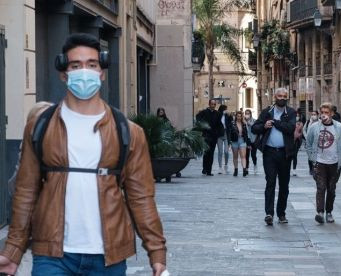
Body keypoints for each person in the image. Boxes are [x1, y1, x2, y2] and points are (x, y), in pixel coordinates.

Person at [0, 33, 167, 276]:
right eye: (75, 66)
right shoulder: (41, 126)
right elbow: (26, 191)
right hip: (52, 255)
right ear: (63, 74)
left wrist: (156, 251)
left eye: (92, 64)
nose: (84, 71)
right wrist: (13, 250)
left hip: (108, 257)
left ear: (102, 72)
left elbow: (141, 197)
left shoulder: (128, 132)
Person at [252, 88, 297, 226]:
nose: (282, 98)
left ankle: (281, 213)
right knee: (270, 182)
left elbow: (290, 128)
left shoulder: (290, 112)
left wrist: (275, 123)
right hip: (269, 153)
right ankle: (269, 213)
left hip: (285, 154)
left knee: (284, 185)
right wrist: (264, 125)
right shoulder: (267, 112)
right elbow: (255, 127)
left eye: (285, 96)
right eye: (280, 96)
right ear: (275, 97)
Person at [306, 103, 341, 224]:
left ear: (332, 114)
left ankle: (329, 211)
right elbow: (308, 144)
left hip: (335, 163)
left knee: (331, 188)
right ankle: (320, 212)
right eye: (322, 113)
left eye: (327, 113)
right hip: (319, 162)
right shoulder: (314, 127)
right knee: (321, 187)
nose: (324, 115)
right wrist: (312, 158)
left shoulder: (339, 128)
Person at [196, 99, 222, 176]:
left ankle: (209, 170)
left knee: (211, 153)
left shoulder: (217, 113)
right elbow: (197, 118)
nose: (213, 106)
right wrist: (203, 126)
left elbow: (219, 124)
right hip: (206, 135)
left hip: (214, 136)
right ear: (209, 104)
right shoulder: (204, 112)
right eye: (212, 104)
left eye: (214, 104)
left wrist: (218, 133)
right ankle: (204, 168)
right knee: (206, 152)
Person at [228, 111, 251, 177]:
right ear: (236, 116)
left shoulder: (244, 124)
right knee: (235, 157)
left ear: (242, 117)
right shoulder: (232, 124)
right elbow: (229, 133)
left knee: (243, 156)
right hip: (234, 141)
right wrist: (229, 142)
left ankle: (244, 170)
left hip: (242, 141)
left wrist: (248, 143)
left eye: (240, 116)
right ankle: (236, 170)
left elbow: (246, 134)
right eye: (238, 116)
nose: (239, 117)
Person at [303, 110, 319, 175]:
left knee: (317, 155)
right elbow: (304, 130)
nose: (313, 116)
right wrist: (306, 137)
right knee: (310, 155)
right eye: (312, 114)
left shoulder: (320, 122)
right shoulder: (308, 122)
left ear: (317, 115)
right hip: (309, 142)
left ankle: (317, 168)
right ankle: (311, 169)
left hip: (317, 141)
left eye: (314, 114)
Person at [217, 104, 232, 174]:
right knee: (220, 152)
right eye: (225, 109)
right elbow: (216, 121)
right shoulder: (218, 114)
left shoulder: (227, 115)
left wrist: (230, 115)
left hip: (226, 134)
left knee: (226, 151)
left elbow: (231, 122)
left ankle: (226, 165)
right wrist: (221, 113)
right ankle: (220, 167)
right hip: (219, 135)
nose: (226, 110)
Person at [244, 109, 258, 174]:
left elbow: (254, 127)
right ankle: (246, 168)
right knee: (246, 155)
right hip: (247, 140)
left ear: (250, 114)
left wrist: (248, 122)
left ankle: (255, 165)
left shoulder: (254, 121)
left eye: (248, 113)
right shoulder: (243, 121)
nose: (247, 115)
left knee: (253, 155)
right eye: (246, 113)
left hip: (253, 140)